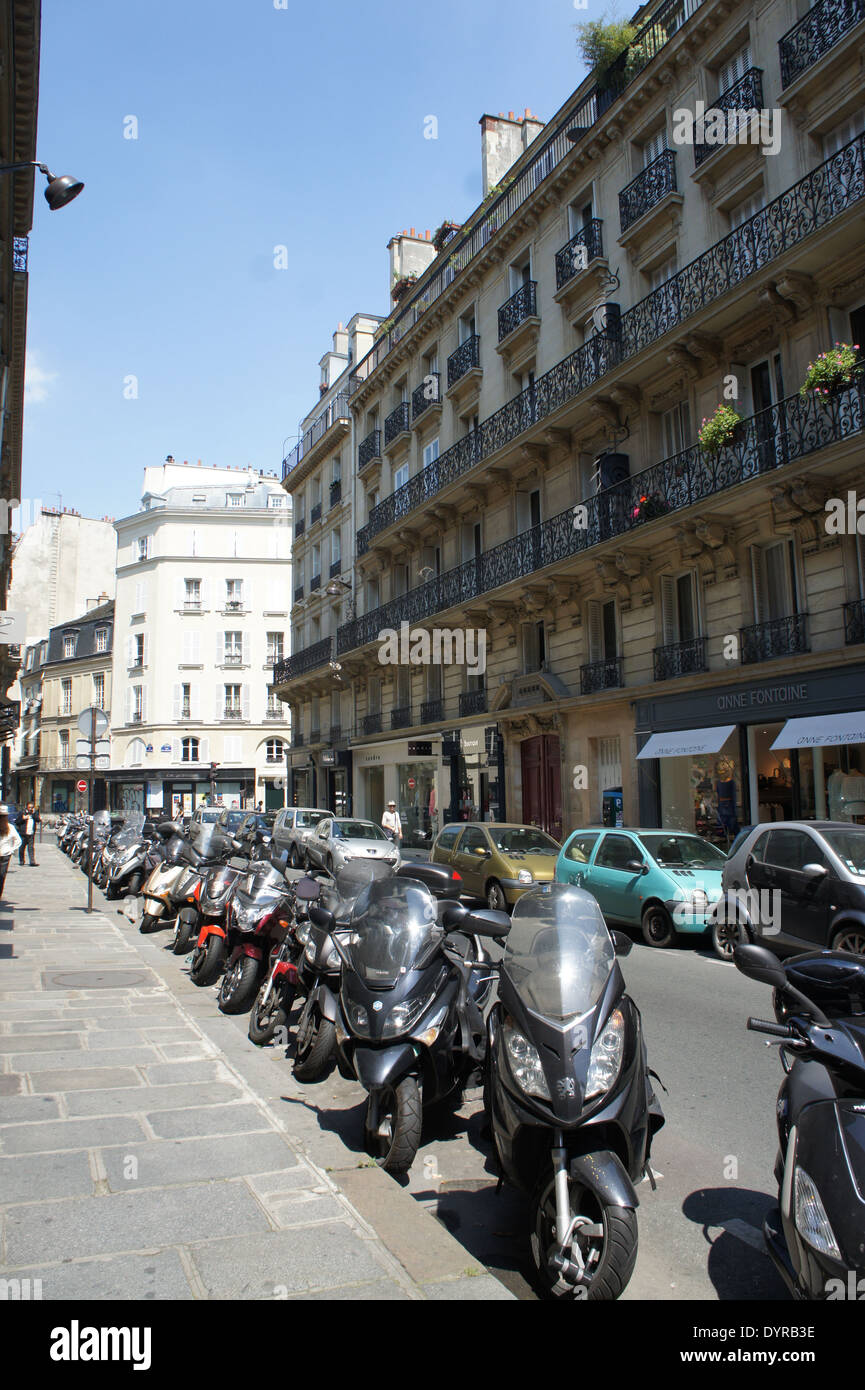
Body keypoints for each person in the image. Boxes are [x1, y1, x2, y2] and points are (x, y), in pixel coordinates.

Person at [0, 807, 22, 900]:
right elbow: (18, 841)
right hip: (5, 854)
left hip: (5, 853)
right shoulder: (10, 827)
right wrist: (12, 850)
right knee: (2, 876)